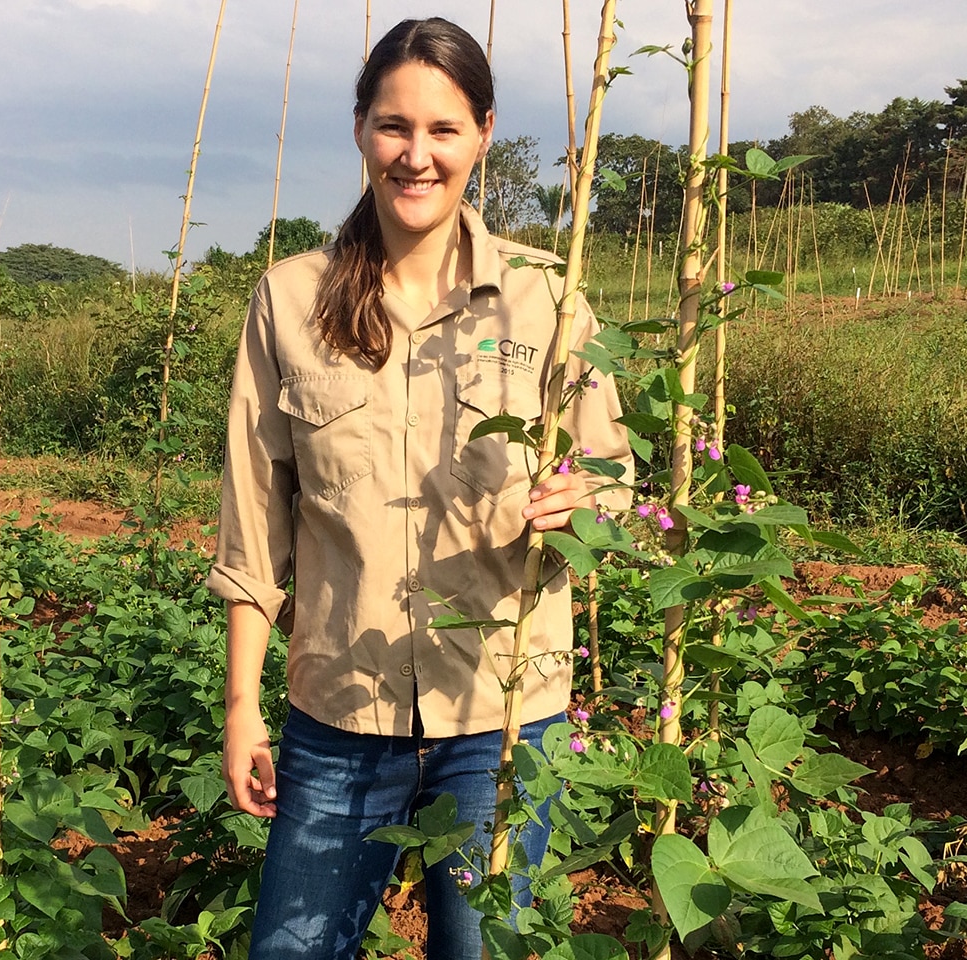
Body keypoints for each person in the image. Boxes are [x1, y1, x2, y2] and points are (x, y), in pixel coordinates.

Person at [209, 16, 631, 960]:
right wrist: (243, 709)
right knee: (292, 950)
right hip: (340, 713)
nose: (417, 154)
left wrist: (584, 504)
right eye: (394, 125)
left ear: (482, 133)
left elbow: (611, 477)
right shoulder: (290, 299)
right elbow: (253, 525)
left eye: (443, 130)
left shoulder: (545, 296)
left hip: (505, 713)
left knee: (481, 951)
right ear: (359, 128)